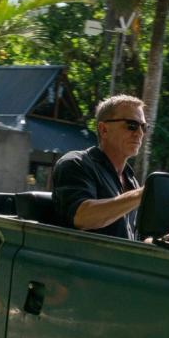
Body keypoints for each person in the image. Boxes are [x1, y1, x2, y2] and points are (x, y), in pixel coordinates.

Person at [51, 94, 147, 239]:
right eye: (131, 125)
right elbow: (82, 217)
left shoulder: (130, 179)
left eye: (144, 127)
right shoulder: (76, 163)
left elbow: (133, 237)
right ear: (103, 130)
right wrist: (142, 194)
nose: (139, 133)